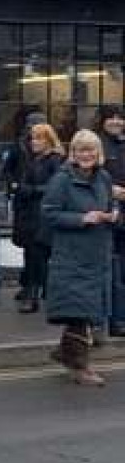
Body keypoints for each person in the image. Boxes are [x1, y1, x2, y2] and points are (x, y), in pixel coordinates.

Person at [42, 129, 116, 387]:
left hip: (98, 255)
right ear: (72, 153)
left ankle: (65, 352)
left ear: (99, 153)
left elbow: (110, 207)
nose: (86, 154)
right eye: (81, 150)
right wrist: (81, 219)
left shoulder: (104, 177)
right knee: (80, 313)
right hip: (72, 257)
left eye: (91, 149)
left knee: (84, 311)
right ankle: (80, 367)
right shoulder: (61, 180)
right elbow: (49, 214)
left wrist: (113, 215)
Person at [10, 122, 63, 313]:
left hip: (41, 215)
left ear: (48, 140)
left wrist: (28, 190)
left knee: (37, 256)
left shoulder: (54, 160)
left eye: (38, 138)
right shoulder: (35, 159)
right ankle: (33, 291)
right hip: (28, 214)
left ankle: (33, 296)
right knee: (31, 254)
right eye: (32, 138)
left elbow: (55, 187)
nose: (34, 142)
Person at [97, 106, 125, 337]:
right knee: (112, 272)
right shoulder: (97, 145)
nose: (116, 121)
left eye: (120, 117)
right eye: (111, 117)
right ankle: (115, 321)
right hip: (108, 217)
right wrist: (110, 189)